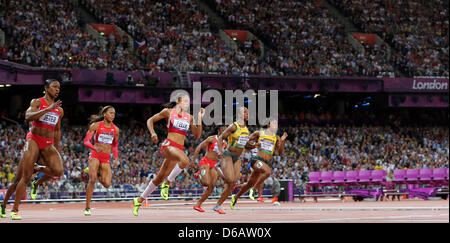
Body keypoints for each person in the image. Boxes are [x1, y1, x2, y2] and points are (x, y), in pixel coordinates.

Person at [132, 93, 205, 216]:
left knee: (159, 177)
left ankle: (139, 200)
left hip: (178, 149)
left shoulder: (190, 117)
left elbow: (197, 135)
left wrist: (200, 118)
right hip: (168, 145)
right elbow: (150, 120)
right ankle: (168, 183)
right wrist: (152, 133)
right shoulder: (169, 112)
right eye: (185, 101)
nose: (187, 104)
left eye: (188, 102)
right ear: (178, 101)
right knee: (185, 161)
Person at [5, 79, 64, 220]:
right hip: (34, 140)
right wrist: (48, 109)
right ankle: (13, 209)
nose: (57, 89)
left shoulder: (59, 110)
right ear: (46, 88)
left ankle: (36, 172)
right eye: (54, 87)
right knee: (22, 177)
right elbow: (28, 117)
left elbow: (57, 131)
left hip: (48, 142)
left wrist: (58, 149)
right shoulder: (37, 102)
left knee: (58, 170)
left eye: (59, 88)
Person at [230, 118, 287, 210]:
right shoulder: (259, 133)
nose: (275, 126)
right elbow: (246, 144)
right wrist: (254, 145)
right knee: (268, 172)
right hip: (256, 160)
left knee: (249, 183)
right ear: (268, 125)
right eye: (273, 124)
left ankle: (235, 198)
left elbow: (280, 152)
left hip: (265, 162)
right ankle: (254, 189)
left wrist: (282, 140)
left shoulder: (276, 138)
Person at [82, 106, 120, 216]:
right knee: (92, 179)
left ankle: (93, 170)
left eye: (114, 114)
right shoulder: (96, 126)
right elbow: (86, 141)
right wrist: (94, 148)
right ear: (104, 114)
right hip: (95, 155)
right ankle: (87, 207)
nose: (112, 115)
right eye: (110, 113)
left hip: (106, 158)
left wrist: (116, 158)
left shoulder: (115, 129)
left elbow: (115, 146)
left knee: (107, 184)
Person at [212, 106, 249, 214]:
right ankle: (218, 169)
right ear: (239, 114)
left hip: (237, 158)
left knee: (232, 184)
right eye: (245, 112)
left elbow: (245, 145)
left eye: (248, 112)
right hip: (228, 155)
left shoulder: (246, 129)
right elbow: (220, 138)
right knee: (230, 180)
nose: (247, 114)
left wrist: (254, 145)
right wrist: (220, 152)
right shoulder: (233, 126)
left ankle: (217, 205)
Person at [192, 126, 227, 212]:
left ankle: (198, 205)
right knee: (206, 183)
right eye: (223, 130)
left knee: (211, 188)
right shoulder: (211, 139)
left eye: (226, 131)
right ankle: (199, 174)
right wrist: (193, 160)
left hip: (214, 165)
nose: (224, 132)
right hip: (205, 162)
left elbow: (222, 156)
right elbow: (200, 147)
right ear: (218, 131)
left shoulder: (225, 144)